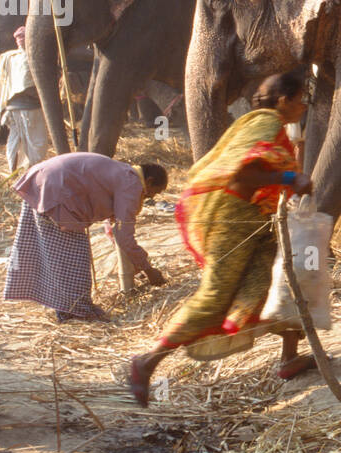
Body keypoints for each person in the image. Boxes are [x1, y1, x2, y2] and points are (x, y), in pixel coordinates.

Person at [128, 70, 315, 407]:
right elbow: (243, 176)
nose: (304, 107)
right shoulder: (266, 124)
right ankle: (147, 362)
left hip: (254, 222)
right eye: (301, 99)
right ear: (285, 100)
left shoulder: (259, 124)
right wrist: (291, 177)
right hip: (233, 220)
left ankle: (290, 357)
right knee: (216, 296)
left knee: (278, 283)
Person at [4, 153, 167, 322]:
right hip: (57, 191)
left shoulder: (123, 173)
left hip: (43, 181)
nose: (153, 197)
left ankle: (64, 308)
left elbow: (113, 227)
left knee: (55, 255)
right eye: (156, 191)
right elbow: (124, 233)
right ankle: (76, 311)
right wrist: (149, 270)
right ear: (148, 181)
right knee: (74, 260)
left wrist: (134, 263)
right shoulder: (132, 184)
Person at [0, 26, 49, 172]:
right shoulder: (27, 58)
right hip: (29, 108)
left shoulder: (9, 57)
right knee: (35, 142)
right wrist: (44, 99)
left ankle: (14, 170)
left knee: (15, 140)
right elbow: (27, 86)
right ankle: (32, 170)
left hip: (11, 108)